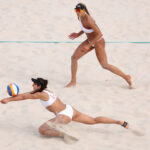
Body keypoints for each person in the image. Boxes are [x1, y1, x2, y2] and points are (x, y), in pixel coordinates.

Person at [0, 78, 129, 138]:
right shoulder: (46, 91)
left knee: (41, 131)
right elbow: (25, 94)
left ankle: (64, 135)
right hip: (70, 110)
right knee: (93, 120)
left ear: (39, 86)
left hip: (64, 116)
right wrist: (13, 97)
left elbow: (24, 97)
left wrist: (8, 99)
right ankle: (119, 122)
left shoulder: (39, 94)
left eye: (34, 83)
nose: (32, 84)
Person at [65, 3, 132, 87]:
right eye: (76, 10)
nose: (77, 12)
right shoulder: (79, 17)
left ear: (84, 10)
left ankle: (126, 77)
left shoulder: (88, 19)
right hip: (90, 40)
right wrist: (78, 34)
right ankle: (73, 81)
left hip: (98, 41)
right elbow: (86, 28)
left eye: (78, 10)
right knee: (74, 58)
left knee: (105, 65)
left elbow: (99, 34)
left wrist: (89, 45)